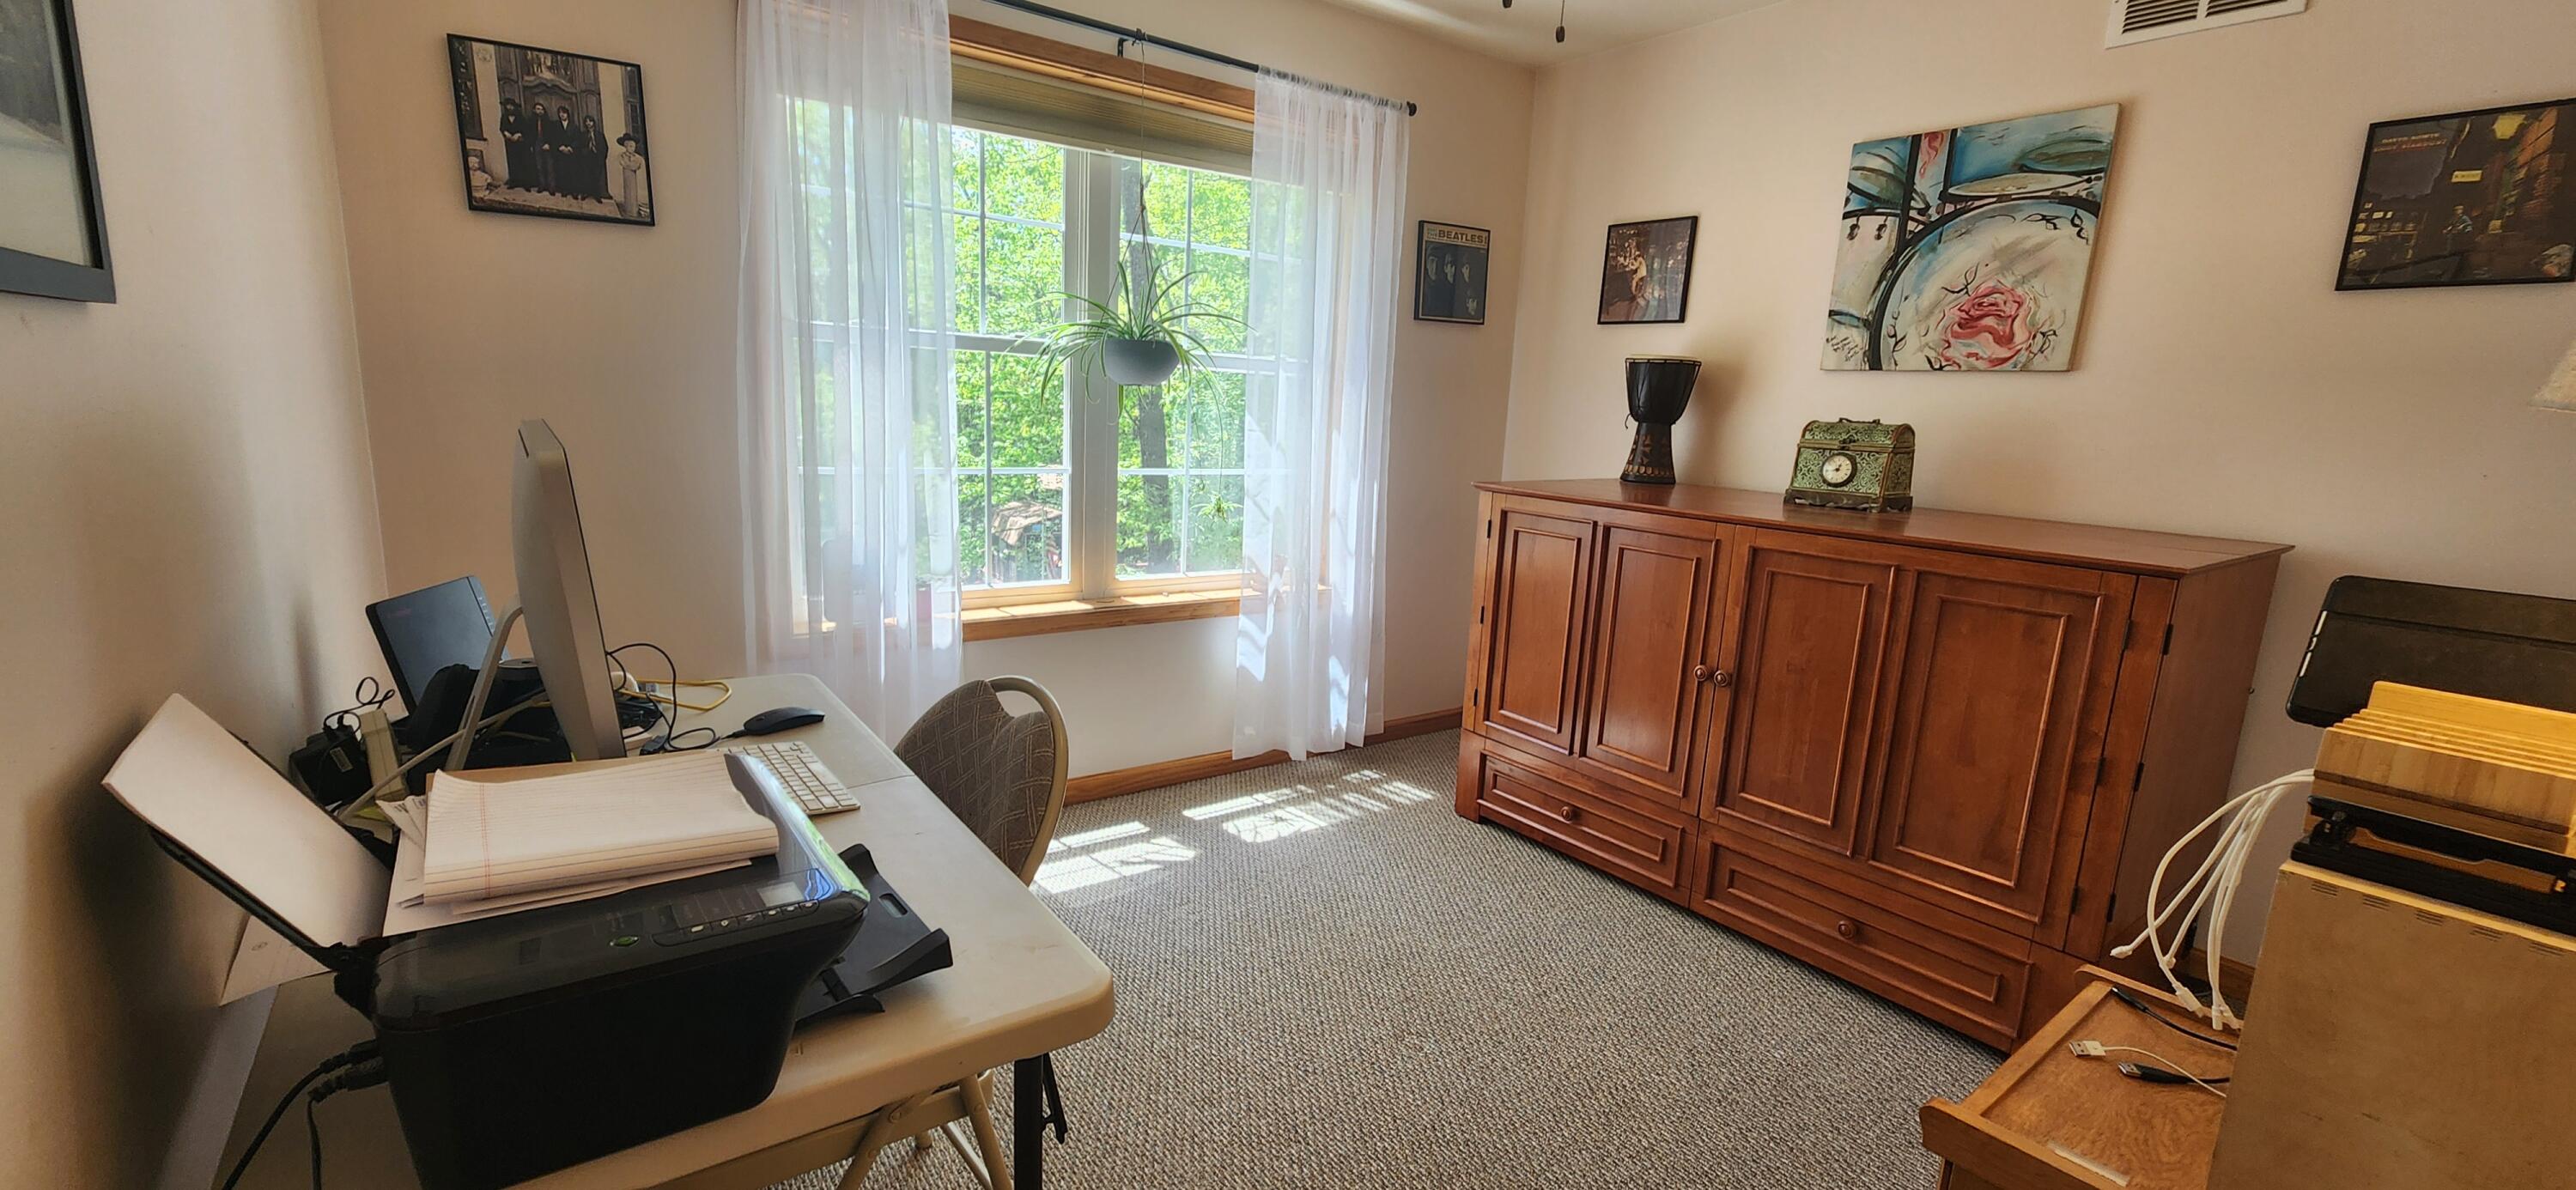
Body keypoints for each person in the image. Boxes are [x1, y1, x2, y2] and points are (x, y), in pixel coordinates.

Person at [496, 97, 534, 191]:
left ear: (514, 107)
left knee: (524, 162)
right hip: (510, 144)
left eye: (511, 106)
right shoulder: (504, 117)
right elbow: (502, 128)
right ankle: (514, 182)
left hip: (521, 144)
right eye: (508, 106)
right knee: (512, 162)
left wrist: (518, 134)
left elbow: (526, 129)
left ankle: (526, 184)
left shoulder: (520, 117)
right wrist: (506, 133)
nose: (509, 107)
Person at [615, 133, 649, 220]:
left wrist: (631, 165)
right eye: (630, 146)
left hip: (633, 175)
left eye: (633, 147)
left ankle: (634, 210)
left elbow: (637, 165)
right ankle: (628, 209)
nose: (632, 149)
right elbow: (623, 163)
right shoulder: (621, 156)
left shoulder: (637, 158)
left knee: (633, 192)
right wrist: (629, 165)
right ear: (626, 146)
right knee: (627, 191)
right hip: (626, 174)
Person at [545, 104, 578, 194]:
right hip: (560, 153)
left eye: (564, 113)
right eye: (560, 113)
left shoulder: (574, 126)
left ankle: (574, 192)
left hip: (571, 153)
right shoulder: (555, 125)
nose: (562, 115)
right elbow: (553, 138)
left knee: (572, 172)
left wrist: (570, 148)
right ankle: (564, 191)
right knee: (562, 172)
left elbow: (577, 139)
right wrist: (560, 147)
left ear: (567, 114)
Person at [576, 114, 609, 200]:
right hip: (586, 159)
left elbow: (605, 147)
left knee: (596, 176)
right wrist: (585, 151)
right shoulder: (583, 134)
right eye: (586, 122)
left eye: (590, 121)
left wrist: (601, 158)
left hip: (597, 158)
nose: (588, 123)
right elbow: (579, 147)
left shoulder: (599, 135)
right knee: (586, 176)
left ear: (593, 122)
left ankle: (597, 195)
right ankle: (585, 193)